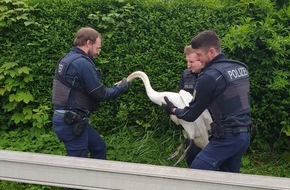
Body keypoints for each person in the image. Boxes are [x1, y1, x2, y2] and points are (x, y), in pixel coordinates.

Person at [163, 30, 252, 173]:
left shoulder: (209, 77)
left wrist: (173, 110)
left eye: (199, 55)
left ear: (211, 52)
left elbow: (191, 114)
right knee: (228, 180)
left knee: (197, 172)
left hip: (227, 138)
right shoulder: (240, 68)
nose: (198, 59)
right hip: (244, 136)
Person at [52, 27, 130, 160]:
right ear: (88, 43)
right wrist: (121, 88)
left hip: (68, 120)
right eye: (97, 48)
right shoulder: (82, 63)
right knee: (77, 166)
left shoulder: (66, 59)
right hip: (72, 123)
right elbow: (100, 93)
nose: (98, 52)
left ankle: (98, 180)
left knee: (99, 148)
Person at [178, 45, 204, 167]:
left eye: (191, 62)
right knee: (191, 157)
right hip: (191, 125)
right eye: (187, 61)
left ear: (201, 59)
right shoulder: (185, 74)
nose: (188, 65)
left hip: (208, 128)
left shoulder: (210, 76)